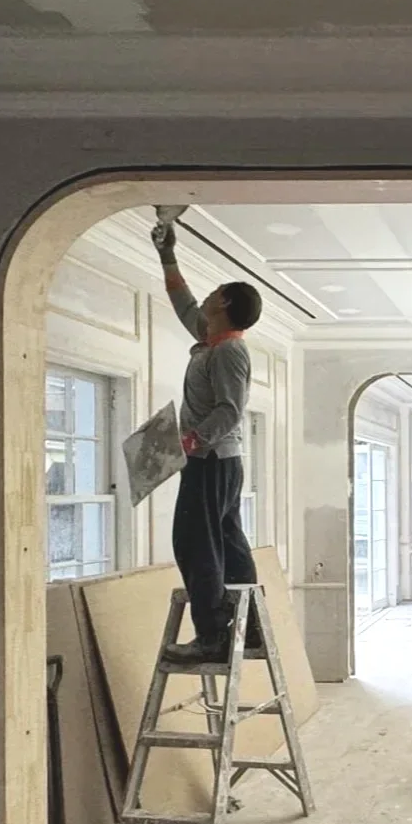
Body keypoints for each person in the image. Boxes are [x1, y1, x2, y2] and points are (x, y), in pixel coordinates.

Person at [152, 212, 265, 665]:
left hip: (211, 459)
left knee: (195, 543)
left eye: (215, 294)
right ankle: (250, 627)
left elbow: (231, 410)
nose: (207, 297)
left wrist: (194, 441)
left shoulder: (231, 351)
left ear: (224, 304)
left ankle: (211, 635)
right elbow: (183, 303)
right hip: (216, 460)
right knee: (227, 538)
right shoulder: (211, 340)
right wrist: (167, 255)